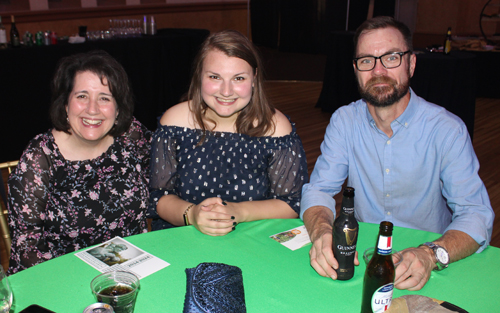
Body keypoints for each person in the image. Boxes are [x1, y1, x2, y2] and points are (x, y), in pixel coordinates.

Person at [301, 16, 494, 290]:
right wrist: (321, 231)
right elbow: (318, 190)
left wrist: (430, 254)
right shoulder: (344, 121)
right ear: (355, 69)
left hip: (428, 261)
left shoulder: (447, 130)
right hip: (361, 261)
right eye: (367, 60)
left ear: (411, 64)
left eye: (391, 57)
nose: (378, 70)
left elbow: (476, 214)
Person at [148, 30, 308, 235]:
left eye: (238, 78)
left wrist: (237, 212)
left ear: (254, 78)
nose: (226, 91)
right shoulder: (174, 123)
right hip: (183, 236)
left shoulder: (275, 128)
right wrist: (192, 214)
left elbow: (292, 204)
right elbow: (159, 196)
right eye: (215, 77)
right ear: (199, 75)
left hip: (253, 239)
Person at [7, 50, 151, 274]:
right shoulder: (41, 157)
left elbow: (166, 180)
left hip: (133, 273)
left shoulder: (130, 135)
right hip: (64, 279)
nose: (92, 109)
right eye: (82, 96)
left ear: (118, 108)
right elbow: (27, 247)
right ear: (65, 104)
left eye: (104, 98)